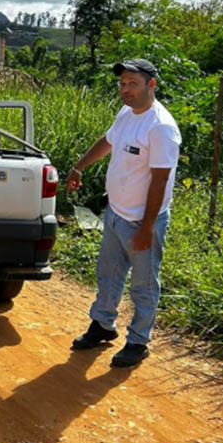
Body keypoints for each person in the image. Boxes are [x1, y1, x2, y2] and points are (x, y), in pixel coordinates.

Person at [66, 58, 181, 368]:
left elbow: (160, 181)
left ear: (151, 84)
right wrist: (80, 166)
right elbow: (108, 141)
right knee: (109, 274)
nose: (125, 90)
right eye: (122, 83)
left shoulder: (161, 128)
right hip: (116, 214)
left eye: (133, 83)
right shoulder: (127, 114)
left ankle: (138, 340)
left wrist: (147, 227)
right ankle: (103, 325)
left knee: (144, 285)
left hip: (143, 221)